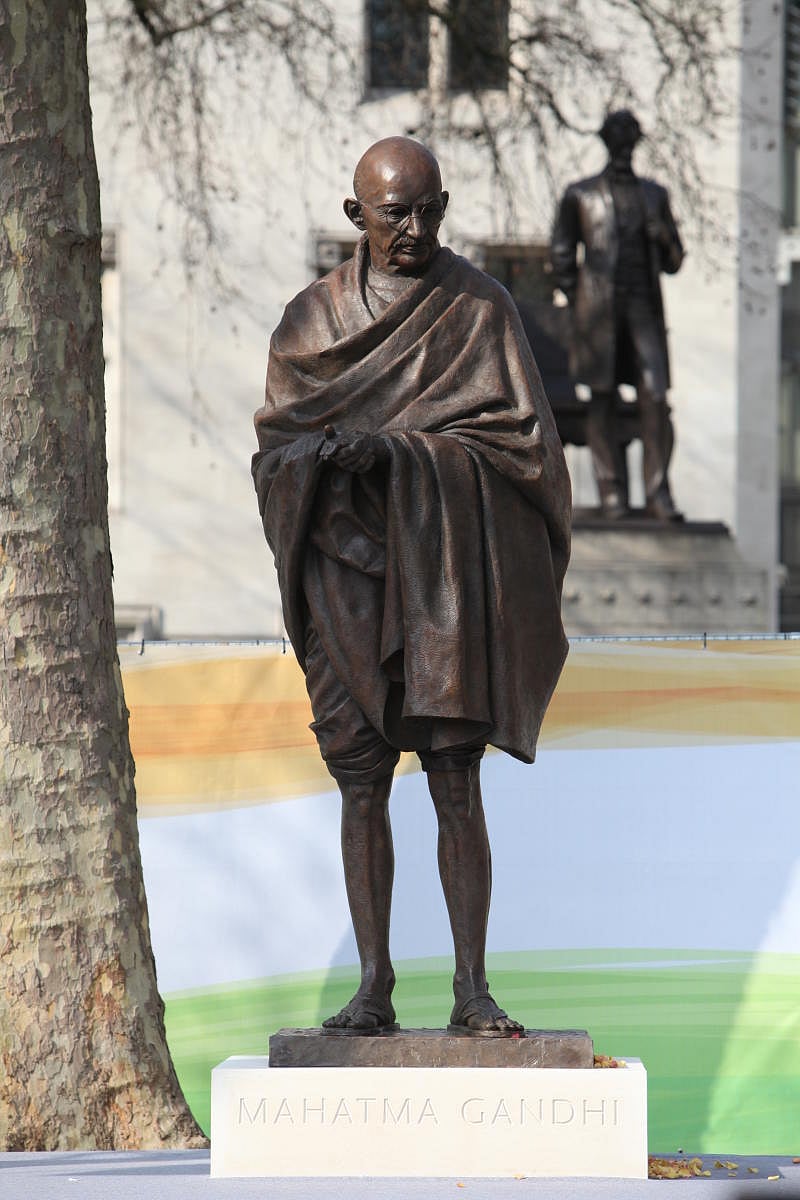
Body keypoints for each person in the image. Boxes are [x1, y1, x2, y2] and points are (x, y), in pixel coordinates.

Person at [252, 136, 571, 1035]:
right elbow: (274, 453)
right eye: (397, 213)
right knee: (361, 783)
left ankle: (472, 989)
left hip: (444, 581)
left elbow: (525, 451)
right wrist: (325, 458)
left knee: (454, 780)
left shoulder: (479, 307)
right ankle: (373, 986)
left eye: (432, 209)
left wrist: (397, 454)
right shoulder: (312, 322)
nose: (417, 229)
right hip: (346, 580)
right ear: (356, 215)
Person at [551, 109, 685, 520]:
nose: (624, 149)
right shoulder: (580, 194)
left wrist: (663, 237)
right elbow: (561, 253)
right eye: (618, 141)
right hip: (598, 313)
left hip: (643, 307)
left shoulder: (654, 195)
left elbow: (675, 261)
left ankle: (658, 494)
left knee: (655, 396)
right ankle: (612, 493)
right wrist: (579, 301)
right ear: (608, 143)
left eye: (630, 141)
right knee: (603, 397)